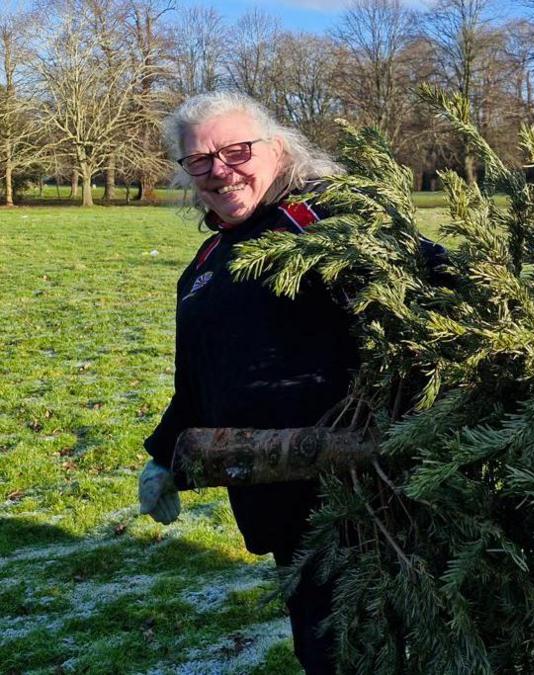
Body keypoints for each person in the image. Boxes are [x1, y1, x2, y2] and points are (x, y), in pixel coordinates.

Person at [136, 91, 444, 673]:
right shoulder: (206, 263)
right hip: (275, 493)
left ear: (277, 149)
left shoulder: (323, 220)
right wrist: (163, 456)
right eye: (198, 161)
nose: (219, 171)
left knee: (359, 652)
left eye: (235, 150)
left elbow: (432, 277)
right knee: (320, 647)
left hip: (360, 497)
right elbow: (198, 380)